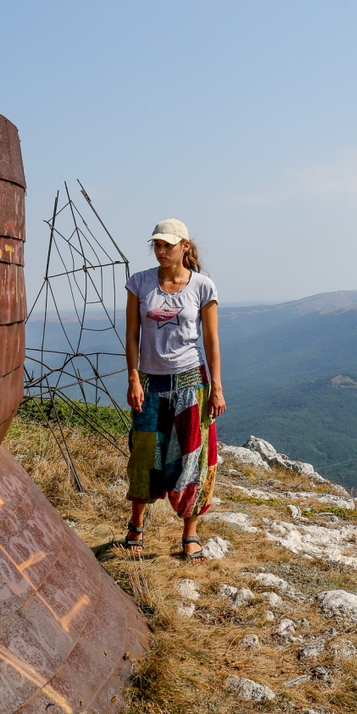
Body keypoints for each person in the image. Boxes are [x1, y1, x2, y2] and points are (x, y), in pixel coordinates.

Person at [123, 218, 225, 564]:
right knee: (143, 456)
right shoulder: (139, 283)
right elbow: (132, 335)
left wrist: (217, 388)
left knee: (191, 460)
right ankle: (136, 525)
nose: (161, 251)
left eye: (167, 245)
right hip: (150, 384)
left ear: (184, 246)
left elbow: (211, 340)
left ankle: (190, 533)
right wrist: (133, 378)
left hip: (191, 383)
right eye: (157, 245)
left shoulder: (202, 286)